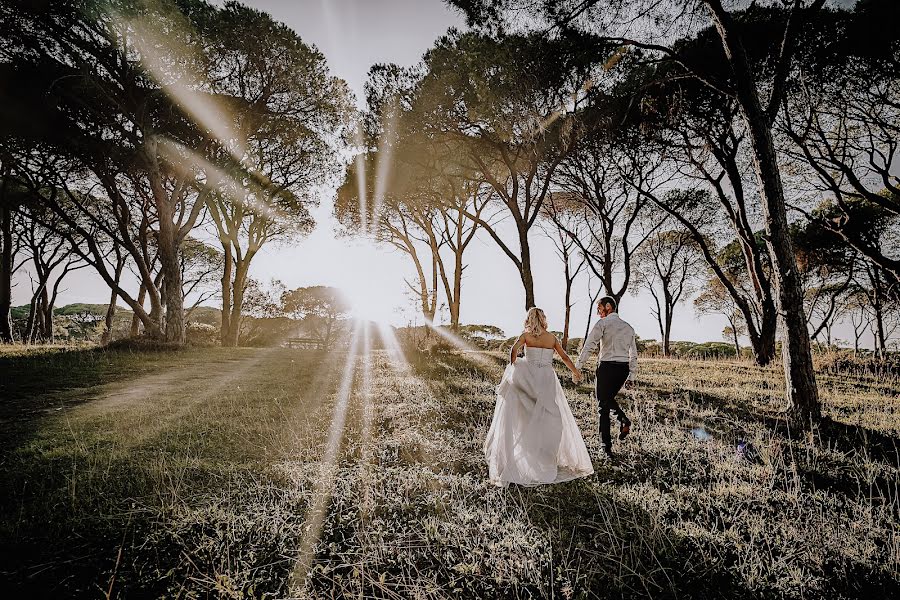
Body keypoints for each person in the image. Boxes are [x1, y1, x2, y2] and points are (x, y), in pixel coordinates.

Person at [484, 307, 594, 487]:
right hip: (546, 379)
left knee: (526, 414)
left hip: (528, 377)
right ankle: (545, 455)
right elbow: (564, 357)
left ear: (529, 319)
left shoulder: (526, 336)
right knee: (551, 415)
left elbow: (513, 350)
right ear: (543, 319)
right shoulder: (552, 338)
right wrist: (575, 371)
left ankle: (531, 454)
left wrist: (514, 366)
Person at [574, 296, 637, 458]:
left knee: (603, 406)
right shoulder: (629, 327)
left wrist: (578, 367)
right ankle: (622, 420)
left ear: (608, 306)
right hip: (622, 370)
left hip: (607, 367)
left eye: (599, 308)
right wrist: (631, 375)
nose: (598, 312)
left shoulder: (603, 324)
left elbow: (589, 345)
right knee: (607, 399)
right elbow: (633, 354)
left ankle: (606, 447)